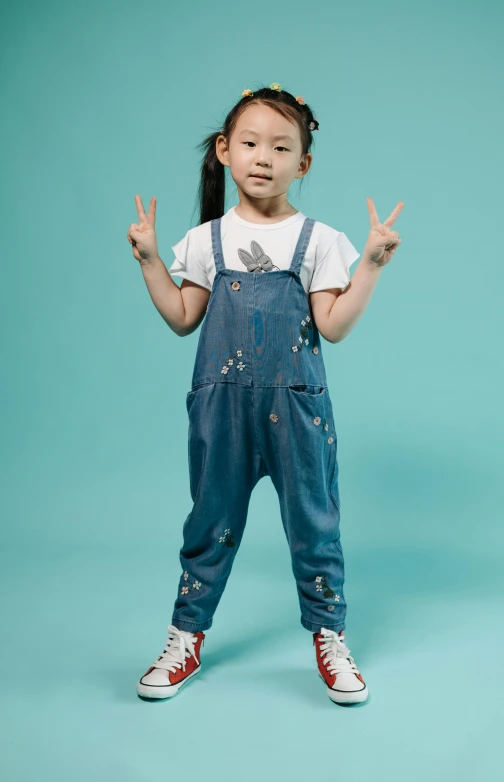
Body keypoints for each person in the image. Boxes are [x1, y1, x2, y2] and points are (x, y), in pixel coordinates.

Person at [127, 82, 403, 706]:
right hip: (220, 410)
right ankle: (185, 636)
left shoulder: (320, 240)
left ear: (302, 163)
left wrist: (371, 267)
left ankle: (330, 637)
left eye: (281, 147)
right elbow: (181, 317)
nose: (263, 156)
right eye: (250, 142)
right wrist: (148, 259)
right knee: (209, 523)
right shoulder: (205, 241)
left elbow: (332, 325)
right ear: (225, 150)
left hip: (298, 409)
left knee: (314, 526)